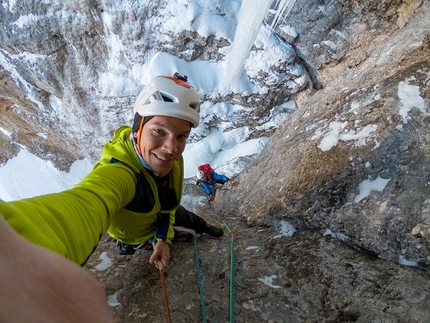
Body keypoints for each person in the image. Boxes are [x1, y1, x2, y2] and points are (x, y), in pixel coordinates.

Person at [0, 72, 223, 320]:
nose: (171, 148)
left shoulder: (168, 158)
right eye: (159, 131)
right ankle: (166, 237)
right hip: (137, 234)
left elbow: (168, 207)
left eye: (181, 136)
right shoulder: (121, 174)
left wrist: (163, 237)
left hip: (161, 214)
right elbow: (88, 203)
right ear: (138, 130)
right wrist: (15, 254)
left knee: (189, 219)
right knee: (178, 225)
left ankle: (201, 230)